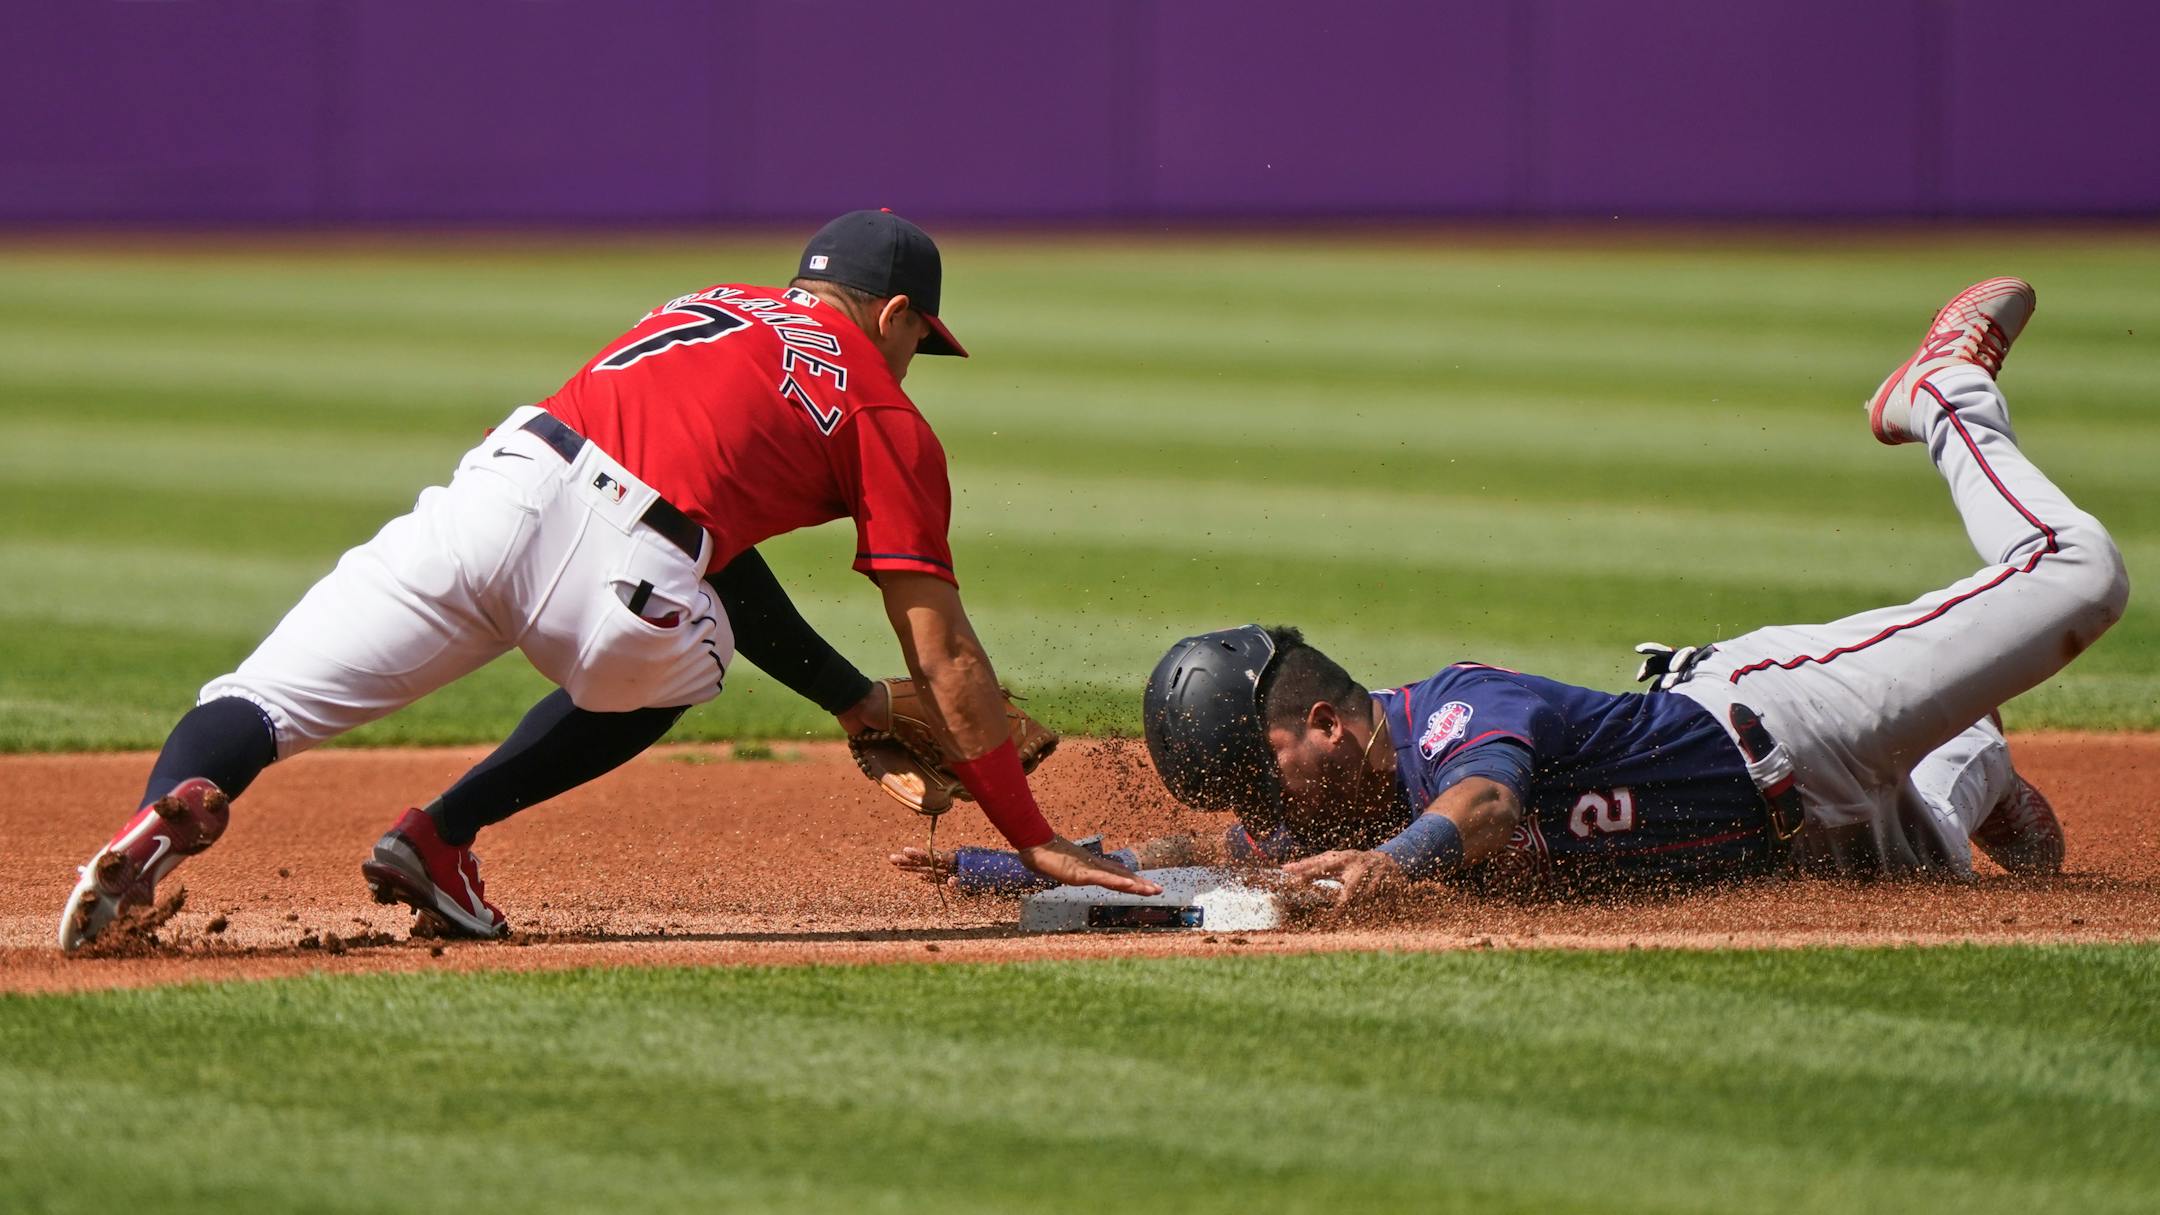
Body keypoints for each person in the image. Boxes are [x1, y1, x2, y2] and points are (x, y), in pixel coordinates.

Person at [59, 209, 1157, 952]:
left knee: (258, 698)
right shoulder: (881, 406)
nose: (918, 355)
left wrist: (852, 702)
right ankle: (442, 834)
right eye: (923, 335)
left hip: (499, 491)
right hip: (632, 571)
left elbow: (718, 540)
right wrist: (1029, 832)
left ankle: (159, 822)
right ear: (897, 315)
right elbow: (946, 650)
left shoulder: (706, 303)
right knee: (694, 656)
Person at [897, 278, 2127, 905]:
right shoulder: (1335, 791)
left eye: (1258, 770)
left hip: (1791, 718)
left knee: (2081, 576)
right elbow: (1187, 858)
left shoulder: (1449, 717)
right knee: (1948, 869)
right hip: (1813, 837)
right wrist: (1010, 864)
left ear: (1326, 723)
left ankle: (1944, 395)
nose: (1260, 809)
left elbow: (1484, 806)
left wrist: (1402, 864)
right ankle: (1976, 756)